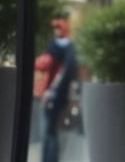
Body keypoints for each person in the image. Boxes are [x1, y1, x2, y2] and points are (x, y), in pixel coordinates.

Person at [38, 19, 78, 162]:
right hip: (49, 93)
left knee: (51, 130)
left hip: (56, 95)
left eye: (58, 28)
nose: (56, 31)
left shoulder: (68, 48)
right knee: (49, 130)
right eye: (55, 28)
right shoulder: (53, 45)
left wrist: (52, 91)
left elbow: (66, 72)